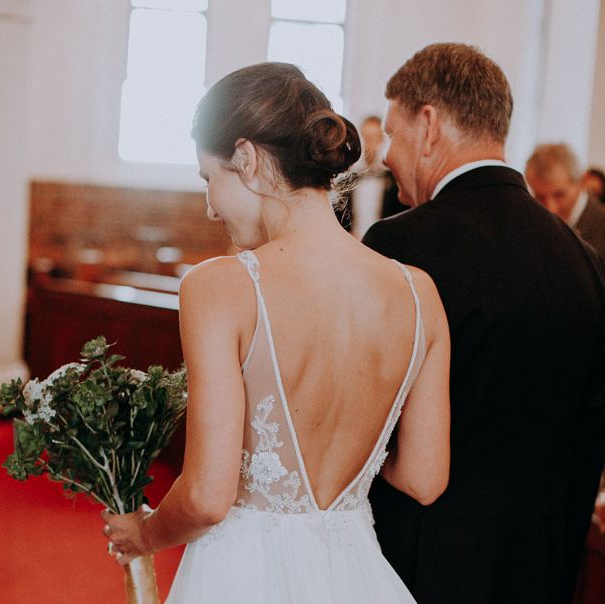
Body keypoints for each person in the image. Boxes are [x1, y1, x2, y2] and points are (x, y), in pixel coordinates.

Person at [100, 62, 451, 603]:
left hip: (244, 576)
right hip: (358, 576)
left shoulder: (220, 287)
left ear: (247, 157)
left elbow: (207, 496)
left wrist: (142, 534)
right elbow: (425, 478)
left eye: (208, 179)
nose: (210, 207)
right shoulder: (418, 292)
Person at [362, 43, 605, 604]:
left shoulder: (401, 245)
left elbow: (369, 423)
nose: (386, 156)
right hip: (540, 571)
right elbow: (589, 441)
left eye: (393, 135)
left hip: (418, 570)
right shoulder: (582, 260)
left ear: (428, 126)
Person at [525, 143, 605, 260]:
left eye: (559, 195)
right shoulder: (531, 224)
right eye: (540, 197)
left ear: (581, 182)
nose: (551, 208)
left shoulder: (601, 226)